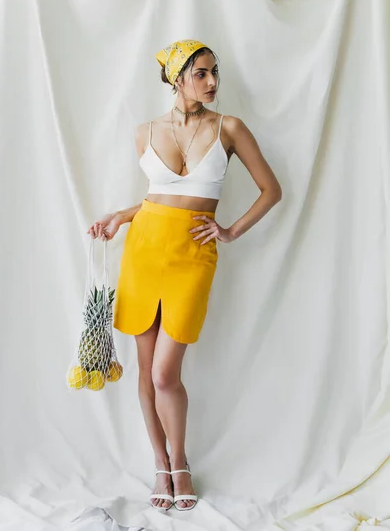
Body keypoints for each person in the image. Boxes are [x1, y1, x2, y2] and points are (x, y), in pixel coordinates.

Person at [87, 39, 282, 512]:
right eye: (202, 73)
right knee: (145, 370)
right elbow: (160, 198)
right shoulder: (144, 132)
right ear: (177, 78)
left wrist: (230, 230)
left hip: (192, 257)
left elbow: (271, 189)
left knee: (164, 373)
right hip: (144, 251)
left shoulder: (229, 127)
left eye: (216, 72)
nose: (213, 82)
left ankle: (181, 459)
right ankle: (160, 463)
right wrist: (122, 215)